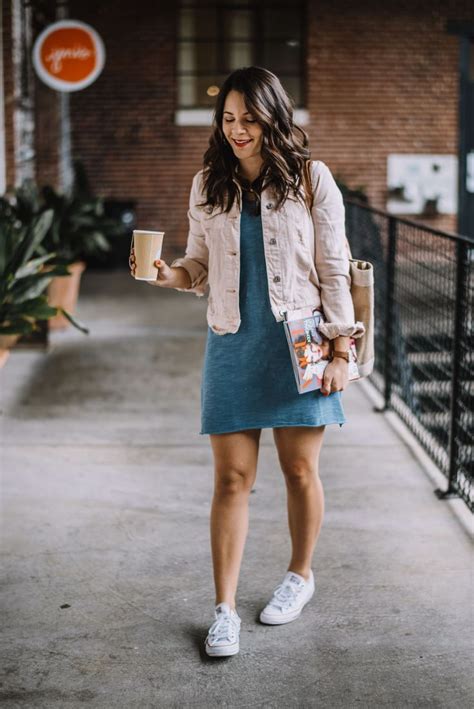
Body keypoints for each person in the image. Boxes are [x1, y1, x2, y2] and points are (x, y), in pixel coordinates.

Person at [130, 66, 365, 658]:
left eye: (249, 120)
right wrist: (168, 274)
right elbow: (198, 265)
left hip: (301, 343)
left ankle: (299, 576)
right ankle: (224, 610)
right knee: (232, 480)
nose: (237, 130)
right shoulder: (208, 182)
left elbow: (334, 267)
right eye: (229, 119)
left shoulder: (313, 180)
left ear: (273, 119)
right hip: (234, 342)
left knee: (299, 473)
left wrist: (342, 348)